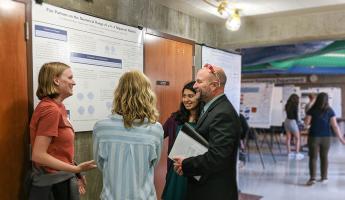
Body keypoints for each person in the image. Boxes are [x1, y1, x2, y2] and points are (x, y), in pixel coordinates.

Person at [29, 62, 97, 200]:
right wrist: (76, 170)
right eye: (70, 77)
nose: (74, 82)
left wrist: (76, 173)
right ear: (56, 80)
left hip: (61, 179)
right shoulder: (50, 110)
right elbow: (38, 155)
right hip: (51, 186)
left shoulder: (58, 107)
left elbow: (59, 150)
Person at [173, 64, 241, 200]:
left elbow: (218, 157)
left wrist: (186, 164)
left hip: (214, 192)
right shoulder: (212, 108)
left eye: (199, 82)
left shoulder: (223, 113)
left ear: (214, 85)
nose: (194, 86)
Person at [93, 70, 163, 200]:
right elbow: (154, 163)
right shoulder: (156, 129)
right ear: (148, 94)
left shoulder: (102, 128)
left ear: (118, 93)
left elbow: (100, 163)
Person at [161, 80, 203, 200]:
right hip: (175, 173)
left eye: (190, 96)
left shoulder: (206, 120)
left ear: (199, 97)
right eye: (184, 96)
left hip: (195, 172)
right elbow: (158, 134)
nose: (186, 100)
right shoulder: (175, 119)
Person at [304, 92, 345, 186]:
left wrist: (308, 118)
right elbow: (335, 126)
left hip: (313, 137)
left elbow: (306, 123)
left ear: (317, 99)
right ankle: (324, 178)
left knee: (313, 158)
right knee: (324, 157)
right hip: (326, 137)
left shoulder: (312, 110)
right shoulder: (330, 110)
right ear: (327, 100)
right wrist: (341, 139)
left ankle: (312, 179)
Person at [284, 94, 304, 160]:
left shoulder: (287, 105)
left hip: (286, 121)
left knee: (288, 138)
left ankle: (289, 153)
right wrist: (299, 122)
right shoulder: (295, 106)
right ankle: (297, 154)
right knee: (298, 138)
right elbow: (296, 117)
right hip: (292, 122)